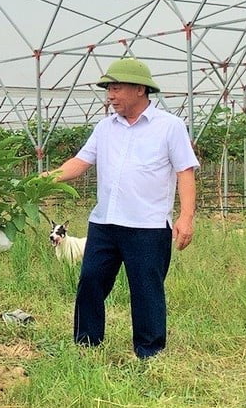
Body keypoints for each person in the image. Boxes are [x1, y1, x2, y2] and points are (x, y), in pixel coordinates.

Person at [47, 57, 198, 359]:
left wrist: (186, 216)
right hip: (105, 223)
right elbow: (80, 163)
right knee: (90, 281)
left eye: (116, 88)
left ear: (140, 89)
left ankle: (149, 353)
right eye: (109, 90)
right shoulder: (105, 128)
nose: (110, 96)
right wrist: (39, 182)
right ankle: (87, 344)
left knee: (146, 291)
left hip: (148, 226)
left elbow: (185, 171)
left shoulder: (169, 127)